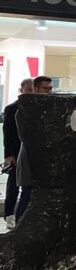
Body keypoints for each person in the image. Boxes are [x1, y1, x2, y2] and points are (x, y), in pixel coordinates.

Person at [14, 75, 52, 223]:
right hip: (30, 158)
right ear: (35, 89)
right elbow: (26, 136)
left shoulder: (51, 109)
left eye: (50, 88)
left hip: (45, 160)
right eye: (45, 88)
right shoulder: (24, 110)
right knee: (27, 194)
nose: (48, 91)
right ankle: (19, 228)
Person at [2, 78, 32, 228]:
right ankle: (9, 214)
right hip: (16, 152)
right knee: (13, 184)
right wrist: (8, 154)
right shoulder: (12, 108)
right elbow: (7, 133)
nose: (31, 92)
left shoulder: (36, 108)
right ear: (21, 90)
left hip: (30, 153)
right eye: (28, 89)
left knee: (27, 185)